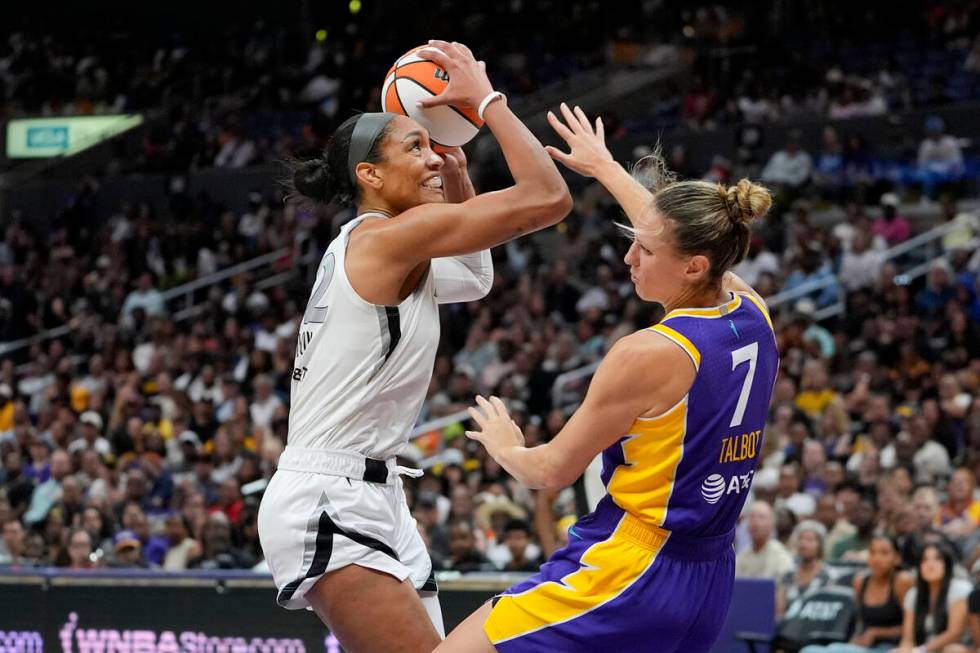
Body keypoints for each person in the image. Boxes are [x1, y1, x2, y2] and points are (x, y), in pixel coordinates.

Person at [256, 40, 571, 653]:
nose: (433, 157)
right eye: (416, 147)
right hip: (329, 493)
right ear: (369, 176)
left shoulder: (385, 244)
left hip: (375, 491)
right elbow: (548, 198)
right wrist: (488, 100)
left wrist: (458, 180)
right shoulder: (388, 239)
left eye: (433, 145)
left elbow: (475, 280)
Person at [436, 104, 779, 652]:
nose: (628, 258)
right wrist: (604, 168)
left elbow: (548, 471)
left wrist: (506, 446)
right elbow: (679, 228)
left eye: (644, 249)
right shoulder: (752, 309)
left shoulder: (650, 352)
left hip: (631, 568)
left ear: (693, 266)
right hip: (710, 576)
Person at [801, 533, 912, 653]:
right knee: (809, 650)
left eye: (884, 553)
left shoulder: (902, 581)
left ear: (897, 557)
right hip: (865, 646)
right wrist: (858, 638)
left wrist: (876, 633)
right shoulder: (860, 581)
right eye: (872, 552)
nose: (877, 559)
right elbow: (860, 622)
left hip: (892, 648)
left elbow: (912, 628)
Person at [891, 543, 971, 653]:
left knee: (954, 650)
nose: (930, 564)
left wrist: (920, 650)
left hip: (950, 648)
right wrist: (906, 649)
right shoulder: (913, 594)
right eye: (925, 560)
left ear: (946, 564)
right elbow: (907, 638)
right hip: (921, 649)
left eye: (937, 559)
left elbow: (954, 633)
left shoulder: (960, 589)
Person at [777, 520, 835, 618]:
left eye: (810, 540)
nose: (803, 544)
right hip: (788, 628)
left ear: (820, 545)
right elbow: (779, 609)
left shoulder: (829, 576)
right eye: (801, 539)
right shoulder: (788, 574)